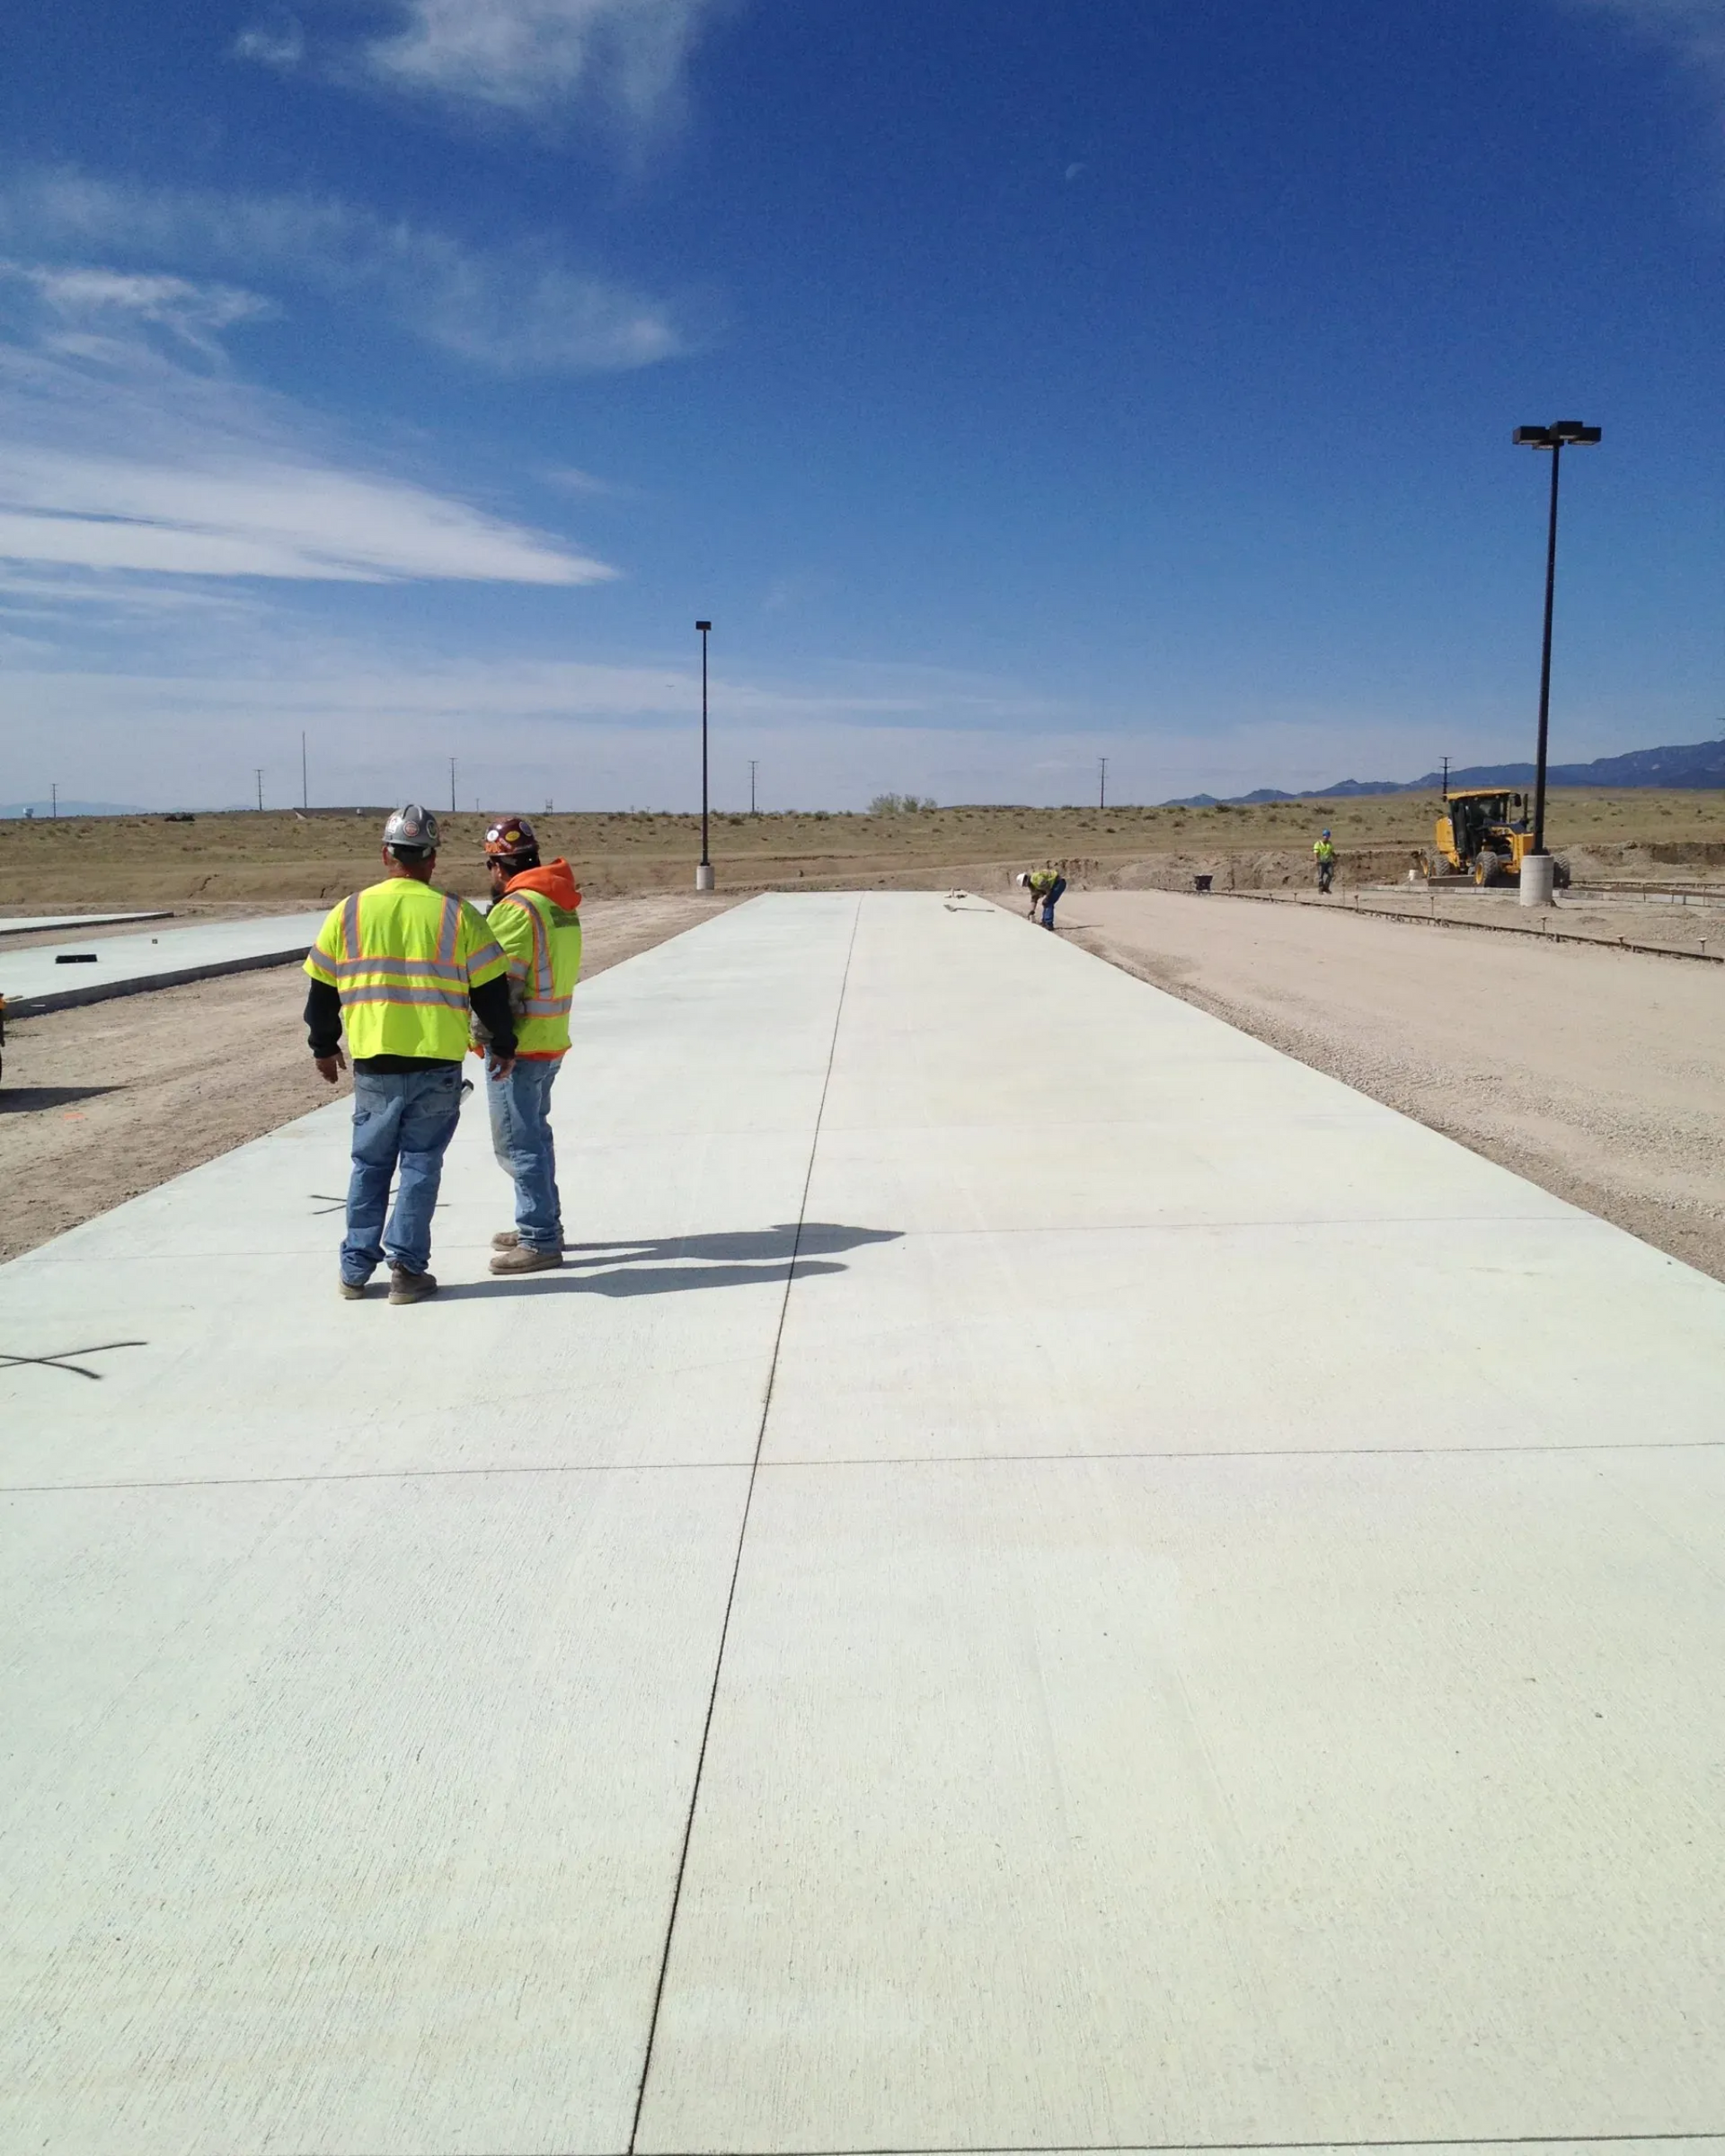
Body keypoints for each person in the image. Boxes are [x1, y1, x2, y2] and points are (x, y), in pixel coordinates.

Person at [305, 804, 517, 1304]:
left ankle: (354, 1271)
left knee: (370, 1166)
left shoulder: (349, 911)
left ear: (386, 855)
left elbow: (320, 992)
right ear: (432, 860)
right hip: (435, 1063)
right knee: (420, 1165)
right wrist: (502, 1044)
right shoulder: (456, 913)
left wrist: (323, 1046)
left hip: (375, 1062)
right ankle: (406, 1271)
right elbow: (490, 992)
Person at [476, 815, 583, 1275]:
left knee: (518, 1143)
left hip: (518, 1046)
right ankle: (540, 1223)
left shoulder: (517, 909)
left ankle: (539, 1238)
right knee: (533, 1137)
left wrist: (491, 1042)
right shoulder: (558, 902)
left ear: (499, 867)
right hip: (549, 1037)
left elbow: (498, 985)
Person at [1017, 866, 1067, 930]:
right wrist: (1032, 911)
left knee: (1048, 902)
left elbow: (1047, 886)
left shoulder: (1035, 878)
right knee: (1046, 902)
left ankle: (1049, 924)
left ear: (1025, 881)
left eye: (1024, 885)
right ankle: (1044, 922)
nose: (1024, 886)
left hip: (1058, 883)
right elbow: (1034, 898)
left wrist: (1048, 896)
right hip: (1054, 884)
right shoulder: (1032, 885)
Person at [1314, 829, 1337, 895]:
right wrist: (1316, 860)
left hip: (1328, 862)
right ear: (1323, 836)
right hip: (1321, 862)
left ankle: (1326, 888)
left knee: (1331, 874)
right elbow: (1315, 853)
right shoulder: (1318, 844)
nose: (1326, 837)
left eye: (1328, 836)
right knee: (1321, 876)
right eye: (1325, 836)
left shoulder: (1330, 843)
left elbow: (1332, 852)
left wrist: (1336, 859)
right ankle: (1320, 889)